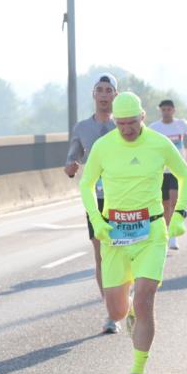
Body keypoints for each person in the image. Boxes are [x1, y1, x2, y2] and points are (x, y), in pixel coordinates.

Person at [79, 92, 187, 374]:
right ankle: (126, 315)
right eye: (121, 124)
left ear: (143, 117)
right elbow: (86, 184)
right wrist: (97, 219)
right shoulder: (104, 147)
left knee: (144, 299)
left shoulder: (159, 143)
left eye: (132, 123)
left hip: (151, 231)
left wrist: (179, 213)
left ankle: (137, 373)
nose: (127, 129)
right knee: (117, 312)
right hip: (115, 233)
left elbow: (185, 175)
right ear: (115, 121)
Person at [65, 73, 120, 333]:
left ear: (115, 96)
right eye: (100, 90)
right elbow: (71, 159)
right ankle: (112, 311)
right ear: (94, 95)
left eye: (109, 90)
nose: (104, 94)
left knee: (122, 254)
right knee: (101, 256)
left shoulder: (124, 124)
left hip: (124, 197)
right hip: (96, 199)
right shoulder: (81, 128)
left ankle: (123, 300)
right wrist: (71, 166)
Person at [148, 99, 187, 250]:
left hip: (177, 169)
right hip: (161, 171)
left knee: (174, 201)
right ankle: (166, 232)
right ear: (160, 110)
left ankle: (173, 237)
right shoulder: (155, 127)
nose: (166, 112)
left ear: (173, 110)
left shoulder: (180, 124)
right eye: (163, 110)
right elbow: (146, 142)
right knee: (164, 205)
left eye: (169, 109)